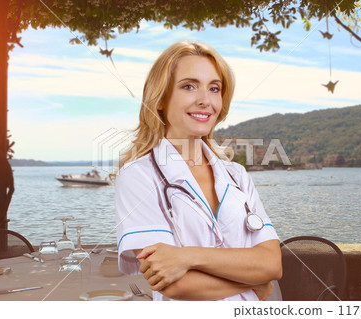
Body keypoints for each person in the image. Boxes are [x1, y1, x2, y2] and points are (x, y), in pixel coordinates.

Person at [115, 40, 282, 301]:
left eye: (214, 88)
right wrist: (254, 283)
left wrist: (187, 256)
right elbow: (174, 285)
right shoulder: (138, 175)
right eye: (189, 86)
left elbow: (272, 264)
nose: (205, 100)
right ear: (160, 98)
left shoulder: (237, 176)